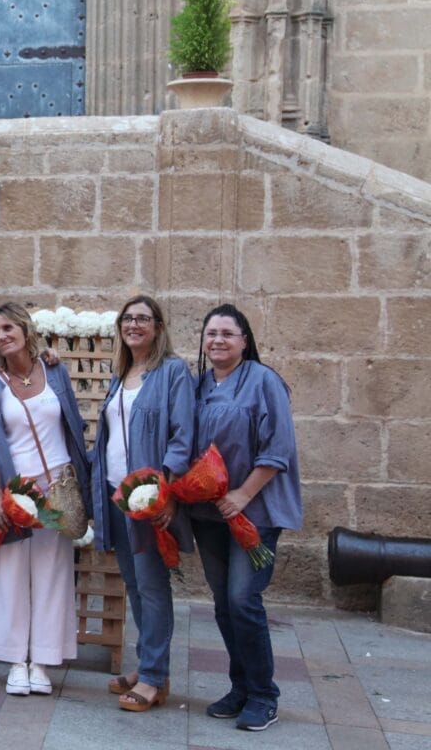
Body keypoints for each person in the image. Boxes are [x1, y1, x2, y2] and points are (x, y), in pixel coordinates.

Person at [191, 304, 301, 732]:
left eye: (227, 333)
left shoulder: (264, 381)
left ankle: (263, 694)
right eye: (210, 333)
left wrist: (242, 493)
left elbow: (279, 448)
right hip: (208, 514)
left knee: (243, 598)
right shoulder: (198, 386)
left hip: (255, 512)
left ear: (244, 340)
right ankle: (240, 686)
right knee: (223, 604)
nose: (217, 340)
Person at [0, 302, 90, 697]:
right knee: (9, 573)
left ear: (25, 329)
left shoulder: (54, 369)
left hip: (57, 483)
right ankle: (14, 660)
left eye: (9, 327)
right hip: (16, 487)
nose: (3, 335)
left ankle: (42, 659)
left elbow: (71, 421)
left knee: (52, 572)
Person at [89, 295, 195, 711]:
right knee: (135, 586)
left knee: (152, 587)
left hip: (148, 500)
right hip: (118, 497)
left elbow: (182, 435)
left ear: (158, 327)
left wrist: (164, 491)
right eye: (128, 318)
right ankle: (152, 667)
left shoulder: (172, 372)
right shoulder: (122, 374)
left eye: (143, 319)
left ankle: (152, 678)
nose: (134, 324)